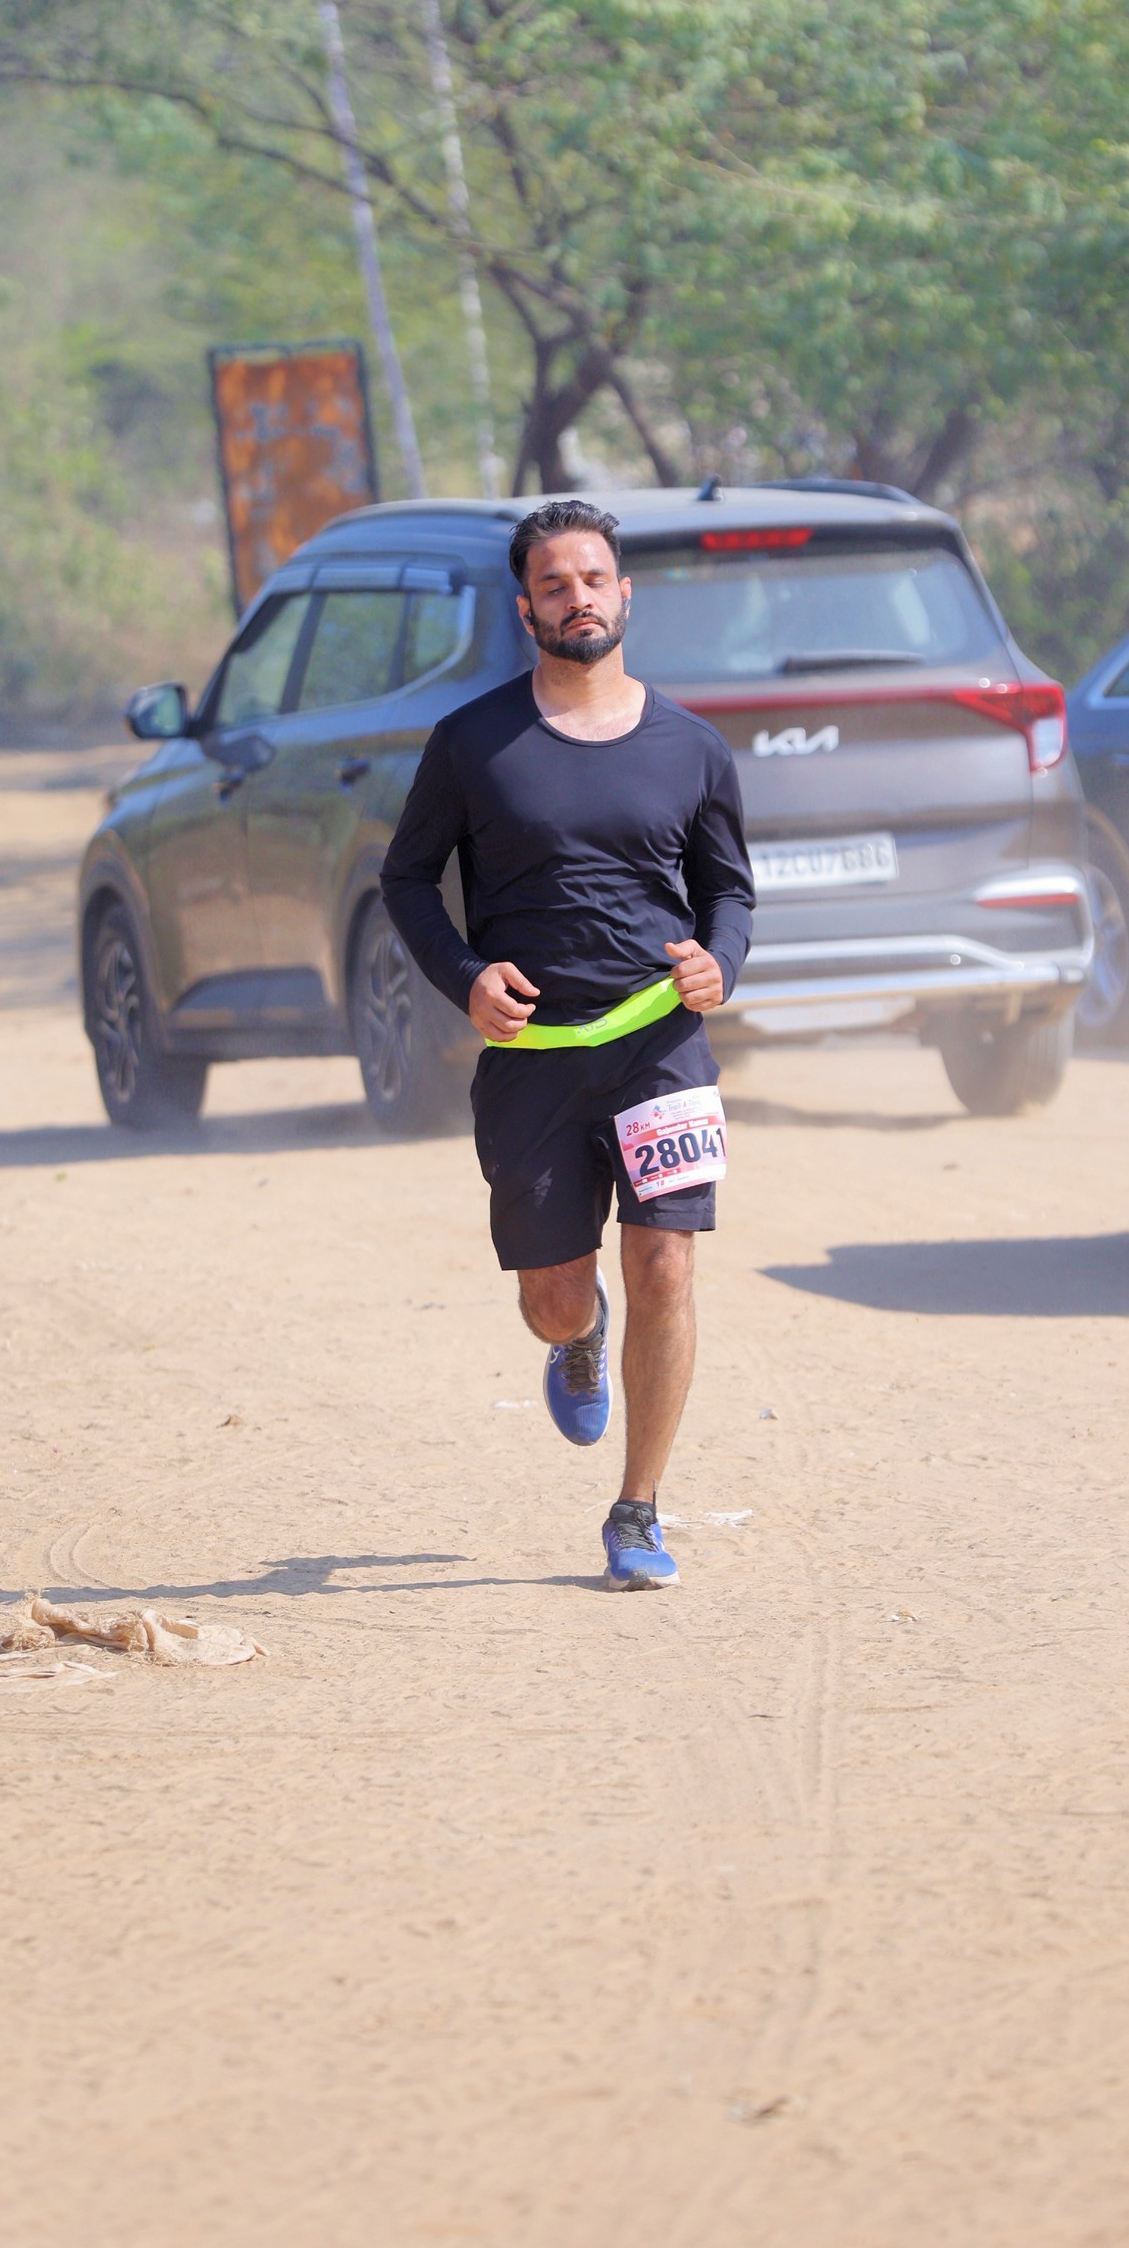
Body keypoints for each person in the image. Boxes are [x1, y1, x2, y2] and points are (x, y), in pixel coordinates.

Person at [379, 497, 754, 1589]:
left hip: (658, 1043)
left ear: (624, 595)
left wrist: (721, 963)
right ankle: (578, 1336)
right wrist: (465, 976)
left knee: (666, 1262)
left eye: (593, 580)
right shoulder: (473, 743)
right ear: (525, 609)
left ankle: (638, 1510)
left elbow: (729, 892)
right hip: (534, 1059)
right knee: (553, 1296)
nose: (577, 598)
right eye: (554, 584)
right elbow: (406, 878)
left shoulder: (691, 747)